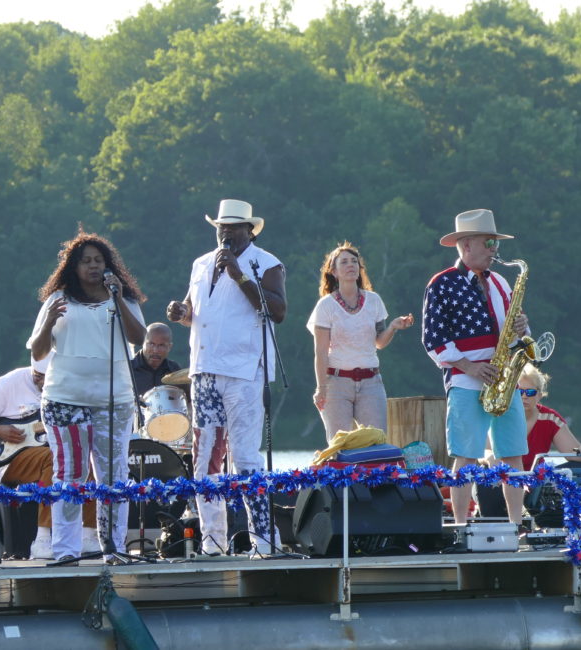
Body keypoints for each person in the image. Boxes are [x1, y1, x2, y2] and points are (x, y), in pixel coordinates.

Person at [165, 199, 286, 556]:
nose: (226, 233)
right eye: (221, 227)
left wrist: (238, 274)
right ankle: (212, 541)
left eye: (234, 227)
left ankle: (263, 540)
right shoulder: (201, 263)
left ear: (250, 230)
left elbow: (277, 311)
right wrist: (181, 311)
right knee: (204, 460)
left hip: (245, 373)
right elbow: (193, 309)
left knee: (247, 458)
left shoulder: (267, 263)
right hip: (204, 371)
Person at [27, 231, 146, 564]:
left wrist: (119, 298)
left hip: (114, 401)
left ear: (109, 266)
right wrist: (48, 321)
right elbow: (37, 352)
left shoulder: (122, 298)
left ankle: (114, 548)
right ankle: (66, 551)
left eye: (99, 261)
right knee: (70, 475)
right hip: (65, 400)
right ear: (73, 267)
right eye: (86, 262)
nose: (93, 267)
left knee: (114, 476)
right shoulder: (59, 299)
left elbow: (138, 337)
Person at [422, 209, 530, 526]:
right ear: (467, 245)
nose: (495, 250)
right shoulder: (441, 284)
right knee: (466, 457)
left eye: (494, 242)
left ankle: (516, 525)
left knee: (513, 454)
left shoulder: (499, 282)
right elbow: (433, 339)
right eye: (488, 243)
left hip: (503, 380)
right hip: (466, 381)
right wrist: (470, 366)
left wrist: (523, 328)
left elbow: (514, 331)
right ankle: (460, 527)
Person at [0, 353, 99, 559]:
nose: (41, 381)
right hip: (8, 459)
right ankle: (43, 539)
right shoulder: (9, 383)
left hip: (47, 453)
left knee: (86, 457)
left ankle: (87, 535)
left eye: (47, 377)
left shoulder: (70, 389)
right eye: (37, 376)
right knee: (57, 458)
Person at [476, 363, 581, 519]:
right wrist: (490, 459)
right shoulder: (499, 414)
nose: (524, 396)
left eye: (530, 392)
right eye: (519, 392)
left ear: (539, 396)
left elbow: (574, 454)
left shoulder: (549, 418)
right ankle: (495, 526)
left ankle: (560, 522)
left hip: (536, 482)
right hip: (504, 476)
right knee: (486, 476)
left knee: (579, 468)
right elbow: (483, 450)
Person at [308, 242, 414, 443]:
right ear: (333, 271)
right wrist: (321, 388)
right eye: (345, 262)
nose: (351, 265)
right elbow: (321, 352)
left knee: (376, 442)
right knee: (340, 445)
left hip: (370, 382)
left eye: (354, 261)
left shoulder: (374, 300)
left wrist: (392, 327)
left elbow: (379, 342)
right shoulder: (326, 306)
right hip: (337, 383)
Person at [130, 322, 185, 400]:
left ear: (170, 347)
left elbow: (188, 402)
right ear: (143, 343)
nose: (155, 350)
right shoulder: (127, 369)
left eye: (161, 345)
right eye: (151, 344)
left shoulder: (175, 370)